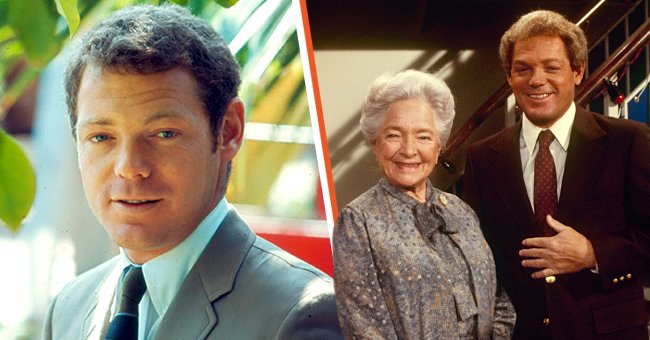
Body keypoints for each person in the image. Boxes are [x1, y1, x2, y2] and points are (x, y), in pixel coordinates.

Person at [41, 4, 342, 340]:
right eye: (101, 137)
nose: (129, 167)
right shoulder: (68, 309)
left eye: (164, 134)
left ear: (228, 131)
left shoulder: (301, 314)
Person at [464, 10, 650, 340]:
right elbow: (479, 260)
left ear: (577, 72)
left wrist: (594, 254)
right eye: (523, 69)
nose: (536, 80)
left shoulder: (629, 141)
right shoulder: (482, 157)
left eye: (552, 67)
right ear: (509, 76)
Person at [333, 69, 516, 339]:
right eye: (394, 135)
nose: (409, 150)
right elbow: (365, 329)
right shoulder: (358, 221)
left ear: (439, 145)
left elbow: (499, 300)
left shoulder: (460, 210)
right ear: (375, 143)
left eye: (423, 137)